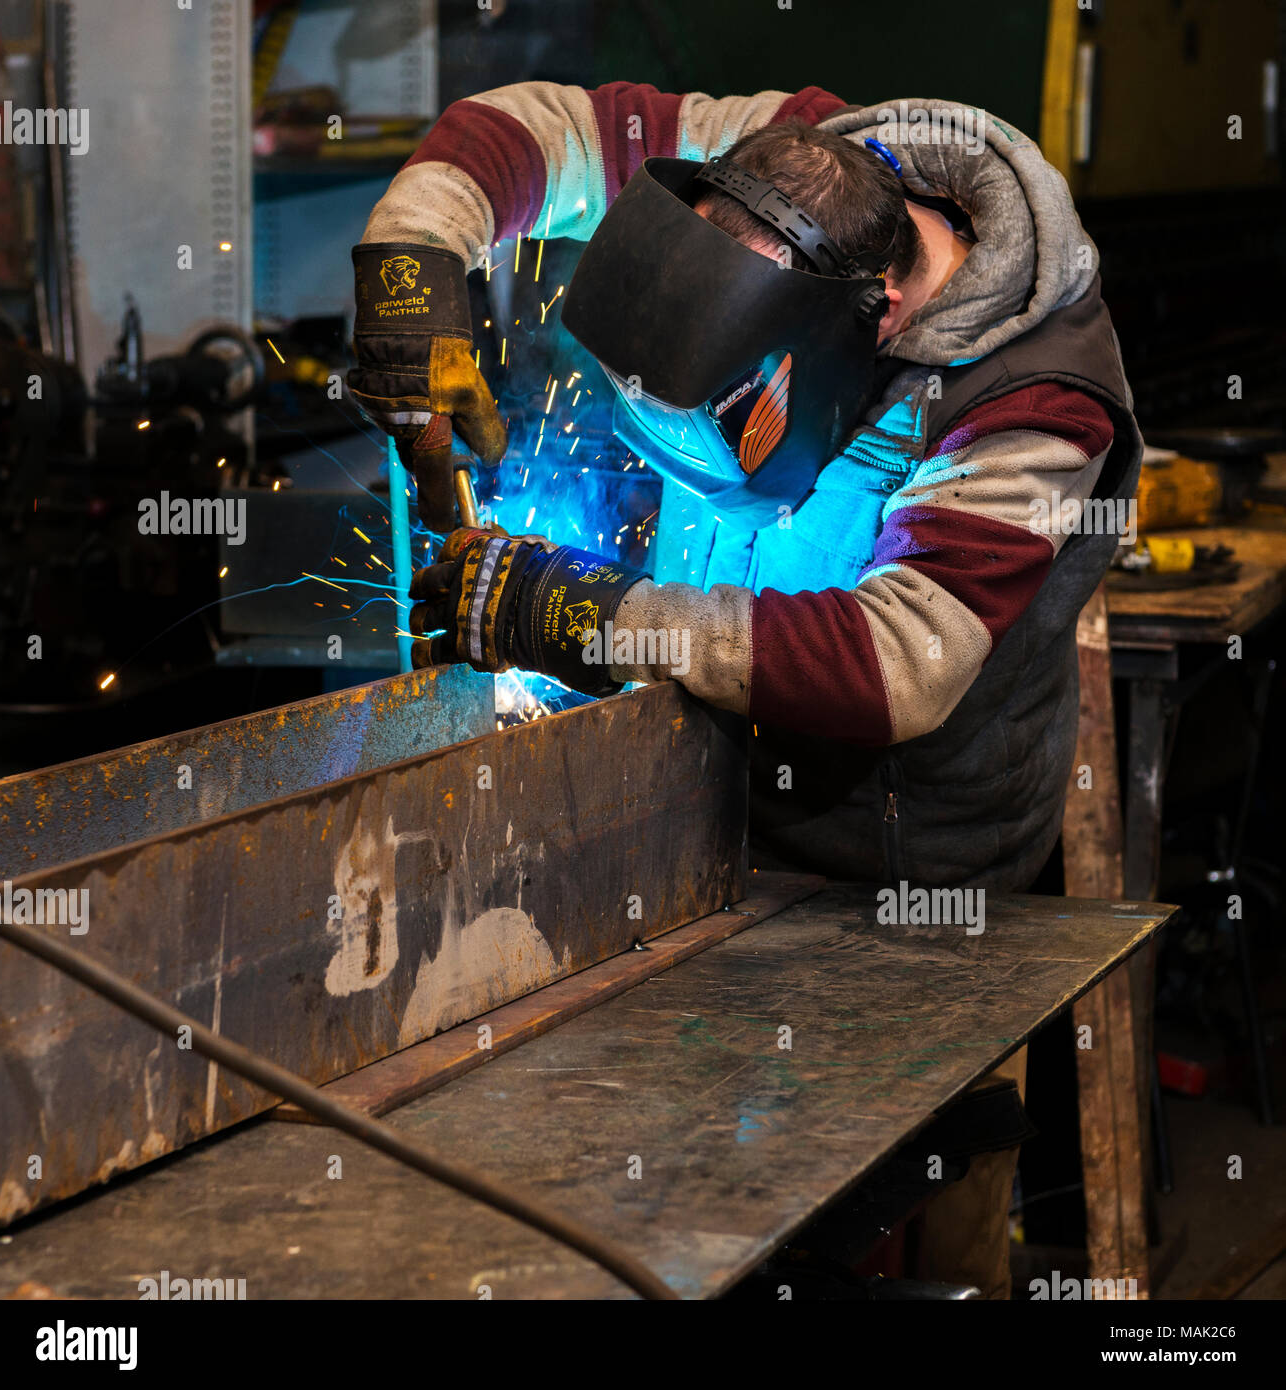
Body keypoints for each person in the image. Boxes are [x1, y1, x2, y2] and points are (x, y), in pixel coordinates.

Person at [349, 83, 1143, 1299]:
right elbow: (532, 123)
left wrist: (586, 614)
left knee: (903, 1208)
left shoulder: (1032, 396)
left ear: (871, 321)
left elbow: (896, 662)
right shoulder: (787, 157)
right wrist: (414, 262)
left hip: (902, 874)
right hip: (710, 813)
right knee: (671, 1211)